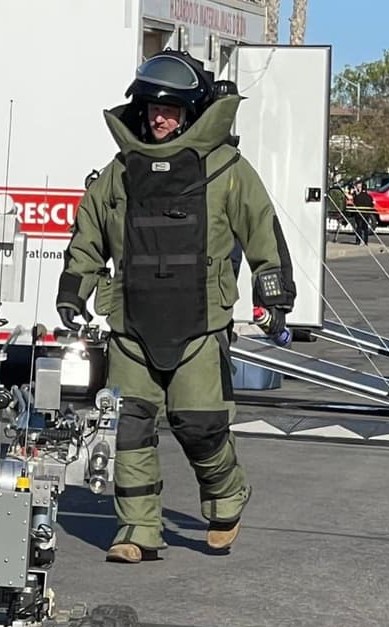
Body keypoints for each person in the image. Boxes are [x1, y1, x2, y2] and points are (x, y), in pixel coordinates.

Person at [54, 50, 297, 563]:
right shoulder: (118, 174)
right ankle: (137, 530)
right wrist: (72, 294)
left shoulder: (227, 170)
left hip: (200, 325)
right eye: (153, 109)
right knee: (128, 429)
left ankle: (227, 495)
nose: (160, 119)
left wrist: (274, 297)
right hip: (131, 326)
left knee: (200, 425)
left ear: (190, 113)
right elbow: (88, 238)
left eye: (170, 110)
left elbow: (262, 232)